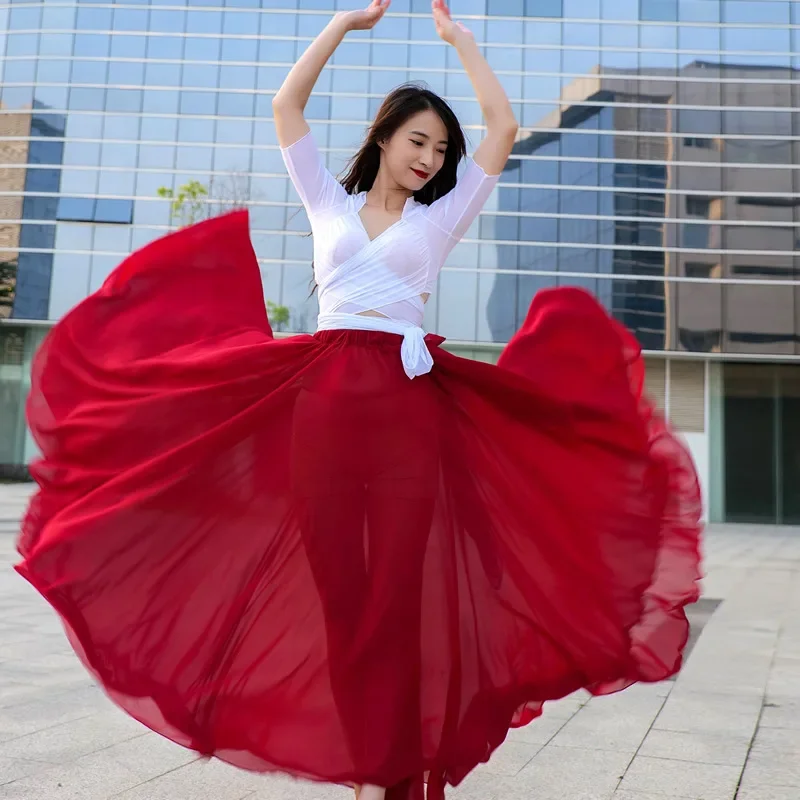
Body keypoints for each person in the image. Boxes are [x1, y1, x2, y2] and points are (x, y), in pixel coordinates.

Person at [15, 2, 703, 800]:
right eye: (418, 140)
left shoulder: (440, 220)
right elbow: (286, 106)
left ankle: (396, 776)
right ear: (384, 138)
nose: (429, 157)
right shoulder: (327, 205)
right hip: (324, 410)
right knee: (343, 600)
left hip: (409, 413)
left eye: (439, 149)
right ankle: (372, 769)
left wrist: (464, 44)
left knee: (396, 602)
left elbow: (504, 129)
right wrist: (342, 25)